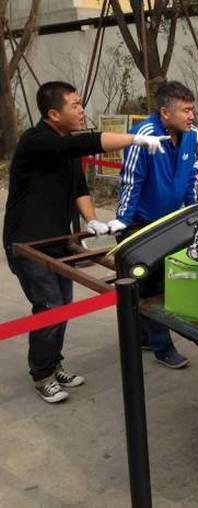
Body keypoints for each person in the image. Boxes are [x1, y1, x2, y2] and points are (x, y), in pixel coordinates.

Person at [3, 81, 169, 403]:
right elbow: (86, 143)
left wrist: (92, 219)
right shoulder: (36, 141)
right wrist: (135, 139)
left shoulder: (65, 145)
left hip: (58, 240)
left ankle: (53, 363)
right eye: (75, 105)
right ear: (54, 114)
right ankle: (42, 374)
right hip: (27, 243)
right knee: (49, 306)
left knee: (62, 304)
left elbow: (80, 188)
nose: (81, 110)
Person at [108, 81, 198, 370]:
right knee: (148, 286)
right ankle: (163, 347)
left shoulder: (191, 135)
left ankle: (144, 336)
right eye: (185, 110)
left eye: (192, 110)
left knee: (160, 283)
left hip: (171, 221)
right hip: (141, 225)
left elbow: (190, 175)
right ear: (165, 113)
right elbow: (131, 181)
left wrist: (193, 209)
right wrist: (123, 223)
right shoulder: (144, 135)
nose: (191, 116)